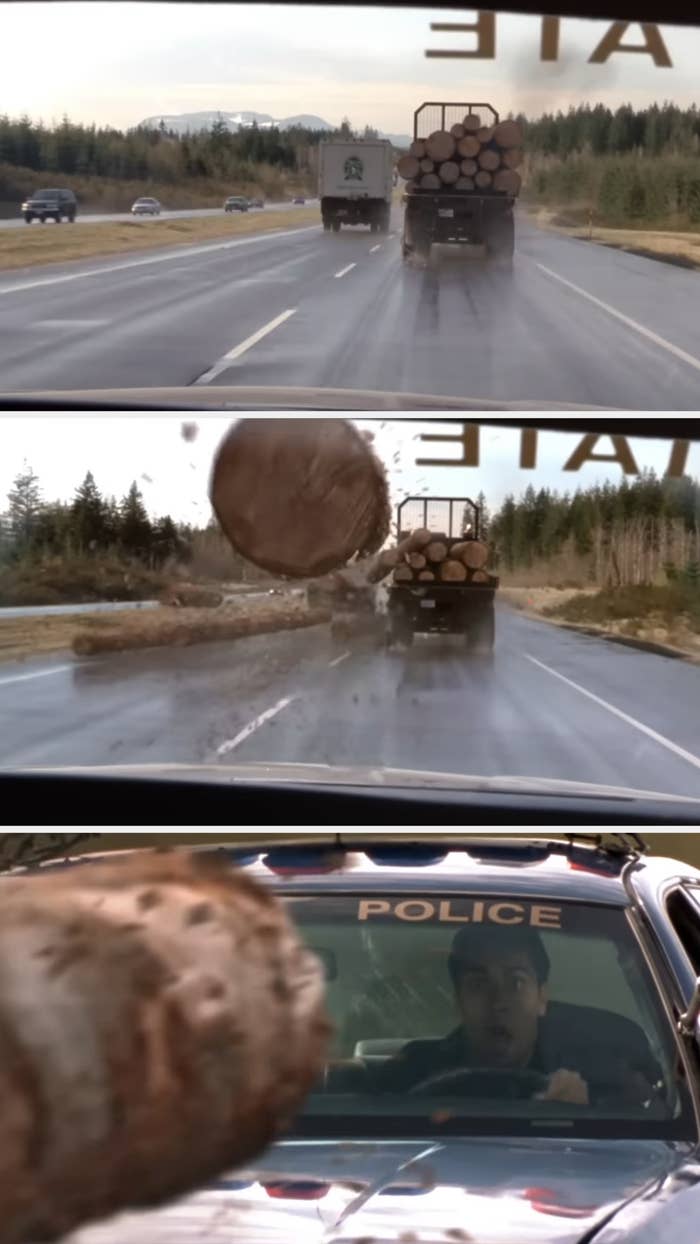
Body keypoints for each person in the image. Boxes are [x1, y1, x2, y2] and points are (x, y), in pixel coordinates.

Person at [373, 924, 663, 1107]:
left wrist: (586, 1110)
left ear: (542, 997)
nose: (499, 1002)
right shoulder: (411, 1074)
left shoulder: (604, 1073)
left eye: (516, 982)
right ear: (458, 1000)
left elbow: (651, 1127)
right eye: (479, 984)